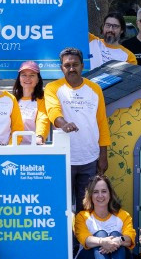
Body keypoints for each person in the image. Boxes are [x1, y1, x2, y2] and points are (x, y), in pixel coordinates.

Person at [45, 47, 110, 209]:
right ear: (61, 68)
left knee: (86, 206)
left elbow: (101, 122)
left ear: (82, 66)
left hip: (90, 159)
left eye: (75, 64)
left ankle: (83, 235)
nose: (71, 68)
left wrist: (103, 155)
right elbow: (53, 111)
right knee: (62, 206)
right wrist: (63, 124)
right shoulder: (53, 88)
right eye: (67, 65)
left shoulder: (95, 89)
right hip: (63, 158)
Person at [73, 175, 135, 259]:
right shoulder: (82, 216)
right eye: (95, 192)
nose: (100, 196)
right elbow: (85, 239)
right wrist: (103, 241)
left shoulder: (123, 215)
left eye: (104, 191)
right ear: (90, 195)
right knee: (100, 234)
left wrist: (117, 241)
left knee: (117, 235)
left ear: (110, 194)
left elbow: (130, 239)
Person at [11, 61, 49, 142]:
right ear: (19, 78)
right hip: (11, 147)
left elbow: (42, 119)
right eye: (23, 75)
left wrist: (40, 136)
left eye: (32, 75)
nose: (27, 78)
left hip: (33, 148)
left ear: (38, 79)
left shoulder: (42, 100)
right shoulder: (11, 99)